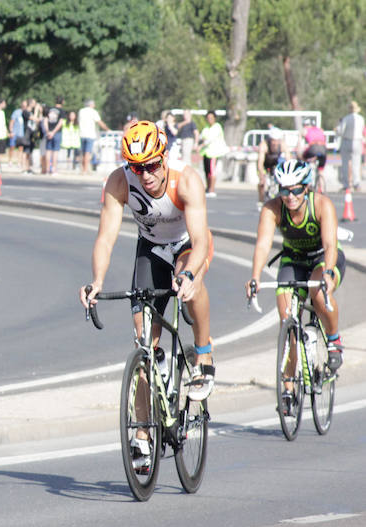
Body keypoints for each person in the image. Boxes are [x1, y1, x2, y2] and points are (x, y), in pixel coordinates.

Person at [79, 121, 215, 468]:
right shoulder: (119, 181)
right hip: (152, 249)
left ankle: (204, 354)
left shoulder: (187, 180)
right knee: (143, 346)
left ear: (164, 157)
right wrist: (96, 280)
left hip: (188, 246)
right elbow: (105, 238)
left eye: (152, 165)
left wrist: (186, 273)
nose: (146, 174)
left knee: (191, 286)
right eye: (137, 167)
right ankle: (142, 434)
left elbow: (200, 242)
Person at [246, 159, 344, 411]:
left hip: (324, 257)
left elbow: (331, 244)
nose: (289, 196)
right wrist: (255, 276)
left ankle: (333, 340)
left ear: (307, 187)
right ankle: (288, 388)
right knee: (287, 320)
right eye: (284, 190)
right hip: (294, 259)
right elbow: (262, 244)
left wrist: (328, 274)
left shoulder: (321, 204)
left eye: (296, 190)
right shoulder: (272, 208)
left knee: (319, 294)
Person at [196, 110, 229, 198]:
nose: (209, 119)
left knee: (212, 172)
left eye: (211, 118)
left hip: (214, 153)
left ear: (214, 118)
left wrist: (201, 145)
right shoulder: (206, 128)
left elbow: (209, 140)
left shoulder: (217, 127)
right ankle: (208, 188)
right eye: (208, 118)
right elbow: (202, 137)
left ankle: (212, 189)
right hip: (206, 153)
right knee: (207, 172)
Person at [256, 128, 290, 207]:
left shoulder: (283, 145)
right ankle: (261, 201)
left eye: (277, 141)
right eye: (273, 141)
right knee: (262, 183)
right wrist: (262, 175)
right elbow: (260, 162)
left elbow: (289, 159)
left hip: (275, 163)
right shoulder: (264, 145)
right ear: (270, 140)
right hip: (264, 164)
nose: (275, 143)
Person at [336, 100, 363, 191]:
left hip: (347, 141)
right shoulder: (361, 118)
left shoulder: (346, 118)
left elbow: (341, 131)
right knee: (356, 163)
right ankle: (356, 183)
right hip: (357, 141)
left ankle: (346, 184)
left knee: (345, 164)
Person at [77, 99, 109, 175]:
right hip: (90, 134)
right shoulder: (93, 112)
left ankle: (83, 169)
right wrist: (107, 129)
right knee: (87, 153)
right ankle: (85, 170)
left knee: (83, 152)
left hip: (81, 134)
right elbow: (99, 122)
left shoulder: (81, 111)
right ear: (91, 105)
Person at [299, 117, 327, 191]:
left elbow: (299, 143)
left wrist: (298, 151)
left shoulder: (305, 130)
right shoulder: (320, 130)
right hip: (323, 148)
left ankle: (307, 172)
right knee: (321, 170)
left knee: (302, 157)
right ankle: (322, 189)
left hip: (313, 148)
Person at [42, 97, 65, 175]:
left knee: (48, 150)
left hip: (49, 132)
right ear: (62, 102)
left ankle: (48, 169)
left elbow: (45, 120)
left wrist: (48, 131)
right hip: (57, 133)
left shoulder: (49, 109)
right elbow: (60, 123)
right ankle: (54, 169)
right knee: (55, 151)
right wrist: (54, 132)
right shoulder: (61, 111)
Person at [8, 100, 27, 168]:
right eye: (23, 106)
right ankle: (10, 161)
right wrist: (11, 131)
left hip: (21, 134)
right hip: (15, 132)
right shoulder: (16, 112)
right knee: (12, 147)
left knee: (21, 148)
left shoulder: (26, 113)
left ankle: (19, 162)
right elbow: (12, 121)